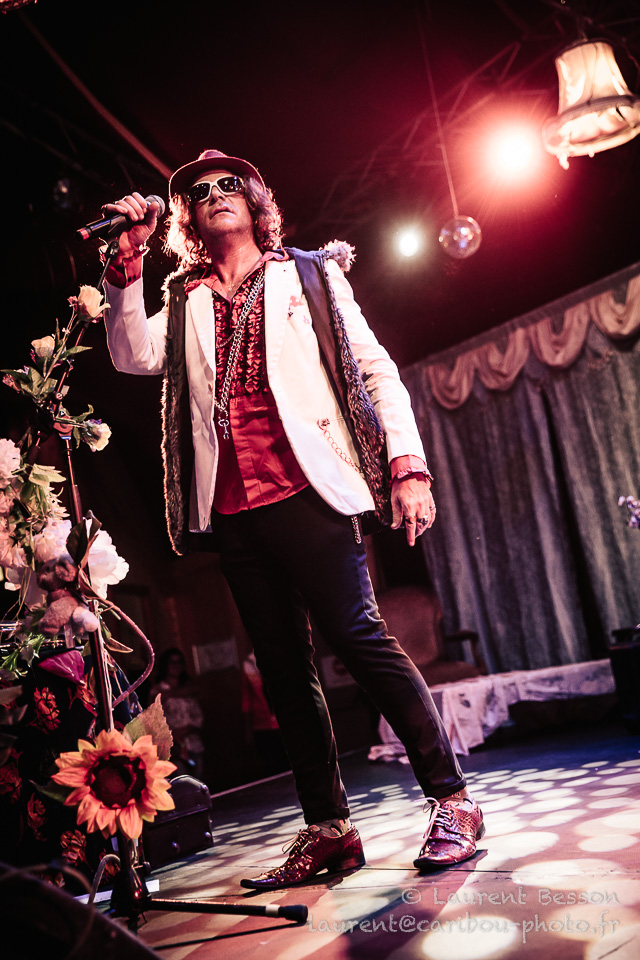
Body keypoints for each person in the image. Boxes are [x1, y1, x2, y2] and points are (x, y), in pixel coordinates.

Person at [101, 148, 484, 889]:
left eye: (228, 184)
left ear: (254, 200)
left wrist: (407, 467)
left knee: (363, 642)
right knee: (283, 672)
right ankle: (329, 829)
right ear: (186, 217)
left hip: (310, 489)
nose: (215, 194)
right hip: (232, 509)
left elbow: (376, 370)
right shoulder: (183, 299)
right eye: (198, 191)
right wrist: (127, 264)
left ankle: (453, 801)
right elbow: (130, 354)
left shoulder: (309, 275)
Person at [149, 648, 205, 779]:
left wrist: (188, 728)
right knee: (182, 782)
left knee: (199, 781)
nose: (176, 666)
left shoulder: (189, 687)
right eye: (172, 662)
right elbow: (153, 721)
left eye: (179, 662)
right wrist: (172, 734)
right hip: (174, 747)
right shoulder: (157, 691)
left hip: (194, 743)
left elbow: (199, 716)